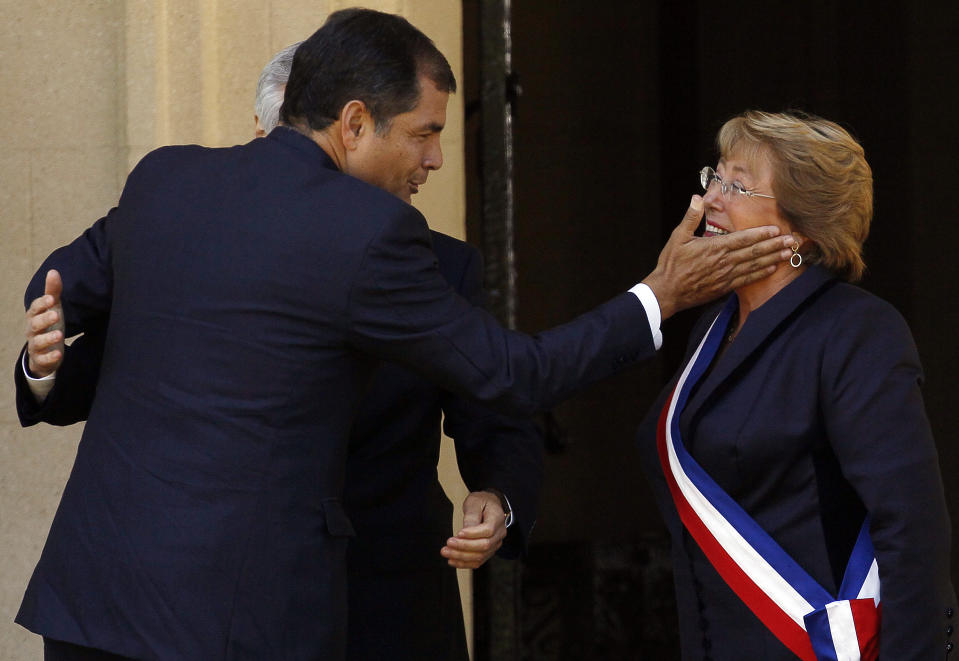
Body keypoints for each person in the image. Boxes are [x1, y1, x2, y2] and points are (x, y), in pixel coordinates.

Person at [16, 9, 794, 660]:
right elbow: (517, 375)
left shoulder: (167, 176)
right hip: (233, 622)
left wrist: (46, 342)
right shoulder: (365, 231)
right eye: (422, 132)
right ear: (354, 122)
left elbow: (58, 285)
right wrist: (659, 295)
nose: (434, 158)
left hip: (91, 603)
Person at [16, 41, 543, 661]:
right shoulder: (198, 257)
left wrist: (499, 495)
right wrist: (41, 371)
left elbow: (500, 398)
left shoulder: (441, 264)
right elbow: (105, 368)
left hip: (386, 599)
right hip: (242, 607)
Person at [636, 110, 956, 660]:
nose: (710, 199)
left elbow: (912, 529)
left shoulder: (855, 331)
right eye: (714, 176)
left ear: (800, 229)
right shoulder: (713, 328)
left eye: (737, 185)